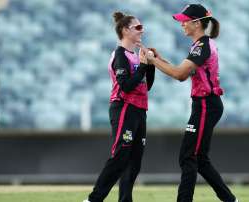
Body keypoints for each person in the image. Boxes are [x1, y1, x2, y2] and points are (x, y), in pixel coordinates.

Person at [143, 4, 239, 202]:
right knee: (200, 160)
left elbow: (179, 75)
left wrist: (153, 61)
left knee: (188, 156)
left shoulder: (202, 46)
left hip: (205, 105)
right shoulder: (201, 45)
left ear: (196, 23)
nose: (182, 24)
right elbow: (182, 71)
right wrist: (159, 59)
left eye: (184, 21)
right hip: (206, 105)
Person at [84, 11, 155, 202]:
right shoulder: (120, 55)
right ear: (125, 30)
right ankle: (93, 199)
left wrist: (150, 64)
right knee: (121, 155)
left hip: (140, 109)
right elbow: (125, 86)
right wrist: (142, 66)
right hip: (124, 107)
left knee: (135, 161)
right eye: (138, 27)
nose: (142, 30)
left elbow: (145, 85)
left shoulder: (134, 54)